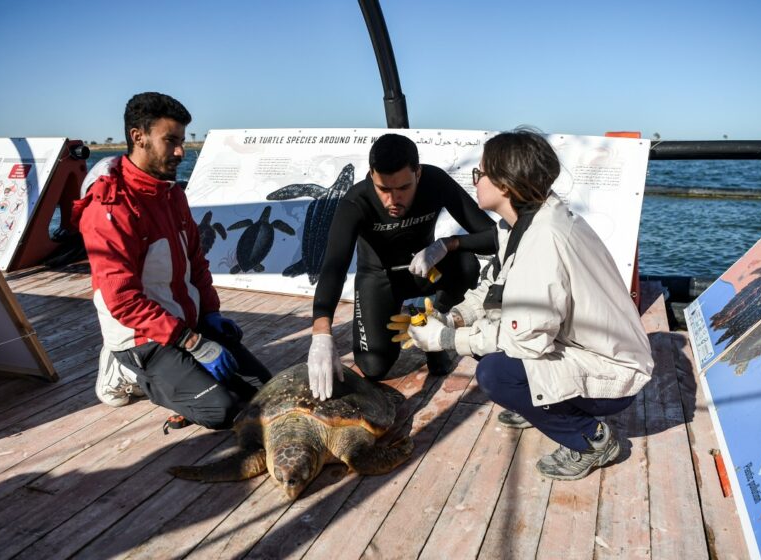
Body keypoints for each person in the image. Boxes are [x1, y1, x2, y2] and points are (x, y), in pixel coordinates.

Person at [405, 128, 654, 481]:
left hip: (614, 371)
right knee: (486, 344)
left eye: (480, 174)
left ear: (504, 185)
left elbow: (522, 339)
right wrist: (455, 318)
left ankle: (592, 439)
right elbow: (497, 289)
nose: (475, 181)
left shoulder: (543, 239)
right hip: (580, 345)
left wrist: (446, 341)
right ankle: (542, 402)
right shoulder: (526, 221)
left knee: (495, 374)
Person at [72, 92, 271, 430]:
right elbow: (121, 300)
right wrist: (193, 343)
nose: (181, 151)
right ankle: (122, 371)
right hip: (142, 337)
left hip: (184, 323)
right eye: (171, 141)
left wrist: (210, 312)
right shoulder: (110, 207)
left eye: (182, 141)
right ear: (139, 137)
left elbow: (196, 260)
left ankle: (183, 366)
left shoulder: (172, 193)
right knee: (222, 410)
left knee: (264, 389)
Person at [308, 133, 497, 400]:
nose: (392, 200)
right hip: (379, 278)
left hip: (424, 270)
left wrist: (446, 244)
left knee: (466, 262)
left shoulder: (435, 181)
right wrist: (321, 332)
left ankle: (432, 323)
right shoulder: (356, 201)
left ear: (418, 174)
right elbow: (334, 266)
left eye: (403, 189)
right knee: (374, 367)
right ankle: (408, 322)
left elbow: (493, 237)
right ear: (371, 174)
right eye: (383, 189)